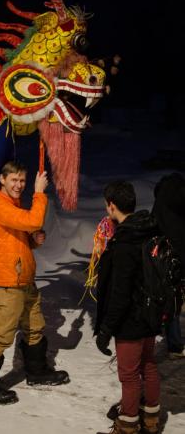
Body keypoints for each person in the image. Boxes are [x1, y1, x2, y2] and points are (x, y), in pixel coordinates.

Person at [0, 160, 69, 405]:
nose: (19, 185)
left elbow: (21, 237)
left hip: (25, 279)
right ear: (2, 180)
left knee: (35, 326)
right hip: (9, 283)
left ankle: (36, 372)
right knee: (3, 334)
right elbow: (32, 220)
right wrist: (38, 192)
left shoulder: (12, 205)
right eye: (14, 180)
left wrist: (33, 241)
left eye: (23, 181)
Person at [94, 180, 160, 434]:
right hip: (150, 313)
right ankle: (151, 419)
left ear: (111, 206)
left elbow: (120, 292)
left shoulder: (125, 243)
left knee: (129, 375)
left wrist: (106, 328)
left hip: (130, 319)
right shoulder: (149, 230)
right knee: (149, 364)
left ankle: (128, 425)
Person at [152, 172, 185, 359]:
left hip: (162, 257)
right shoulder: (180, 202)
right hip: (178, 258)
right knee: (174, 301)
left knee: (166, 299)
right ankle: (174, 344)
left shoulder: (161, 202)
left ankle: (168, 341)